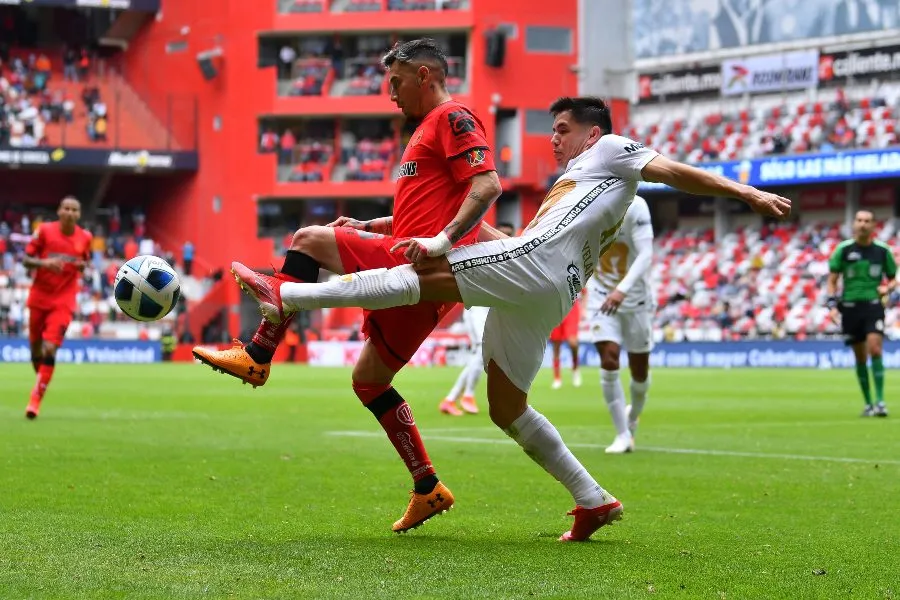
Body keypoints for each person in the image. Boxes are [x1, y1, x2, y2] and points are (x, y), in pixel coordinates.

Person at [226, 96, 791, 540]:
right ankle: (594, 499)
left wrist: (747, 194)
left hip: (541, 267)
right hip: (549, 288)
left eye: (562, 129)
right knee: (506, 408)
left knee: (424, 273)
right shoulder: (573, 187)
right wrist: (382, 225)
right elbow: (503, 241)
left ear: (592, 132)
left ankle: (287, 297)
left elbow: (671, 171)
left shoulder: (613, 148)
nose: (554, 138)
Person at [193, 38, 502, 533]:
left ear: (425, 76)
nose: (390, 93)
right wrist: (372, 226)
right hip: (417, 270)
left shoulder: (453, 117)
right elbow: (424, 210)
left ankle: (259, 351)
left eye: (396, 81)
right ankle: (428, 488)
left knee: (309, 239)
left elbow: (488, 186)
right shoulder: (425, 128)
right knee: (369, 381)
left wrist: (441, 242)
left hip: (420, 268)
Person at [587, 195, 655, 453]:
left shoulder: (636, 206)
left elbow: (646, 253)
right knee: (610, 358)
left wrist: (622, 290)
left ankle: (633, 415)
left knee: (640, 372)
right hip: (600, 298)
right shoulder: (586, 203)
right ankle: (622, 435)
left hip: (636, 300)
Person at [22, 196, 92, 419]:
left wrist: (82, 267)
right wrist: (45, 263)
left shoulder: (85, 238)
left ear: (78, 215)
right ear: (59, 211)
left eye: (74, 209)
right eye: (66, 208)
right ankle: (41, 382)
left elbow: (84, 263)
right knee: (35, 350)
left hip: (64, 299)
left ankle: (35, 400)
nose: (70, 212)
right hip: (39, 297)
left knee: (50, 349)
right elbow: (26, 259)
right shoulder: (44, 231)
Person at [827, 210, 896, 417]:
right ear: (854, 224)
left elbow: (893, 278)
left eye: (867, 221)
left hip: (873, 305)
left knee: (875, 348)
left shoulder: (883, 251)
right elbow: (832, 281)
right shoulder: (843, 249)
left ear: (874, 225)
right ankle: (868, 403)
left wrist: (887, 288)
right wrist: (831, 305)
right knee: (860, 356)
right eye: (859, 220)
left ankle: (881, 402)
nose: (863, 224)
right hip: (849, 307)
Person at [439, 305, 489, 415]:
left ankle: (450, 400)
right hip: (480, 308)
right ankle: (468, 396)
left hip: (475, 307)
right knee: (482, 350)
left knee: (477, 355)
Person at [549, 297, 582, 389]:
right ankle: (557, 378)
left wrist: (584, 310)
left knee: (573, 343)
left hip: (571, 307)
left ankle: (575, 369)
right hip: (555, 309)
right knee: (556, 346)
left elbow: (584, 292)